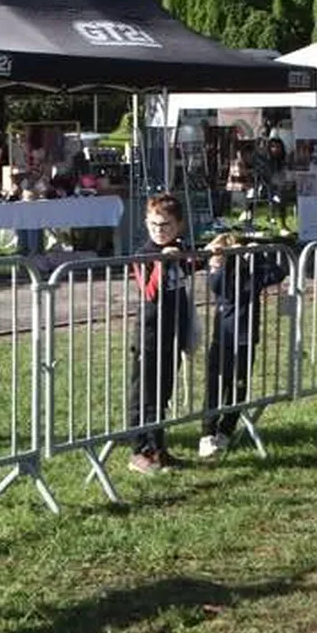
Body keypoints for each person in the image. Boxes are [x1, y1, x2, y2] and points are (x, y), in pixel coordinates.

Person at [198, 234, 290, 459]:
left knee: (239, 386)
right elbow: (219, 287)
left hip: (247, 337)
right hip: (223, 338)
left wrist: (260, 255)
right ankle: (207, 432)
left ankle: (227, 430)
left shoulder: (253, 272)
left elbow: (279, 273)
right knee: (216, 384)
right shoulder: (221, 274)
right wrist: (220, 262)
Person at [127, 193, 194, 474]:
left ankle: (159, 447)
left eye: (165, 225)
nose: (159, 230)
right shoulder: (144, 254)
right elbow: (150, 291)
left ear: (178, 225)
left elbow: (195, 263)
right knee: (144, 394)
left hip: (173, 333)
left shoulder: (179, 248)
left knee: (163, 392)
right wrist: (162, 262)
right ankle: (139, 450)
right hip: (149, 335)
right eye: (154, 224)